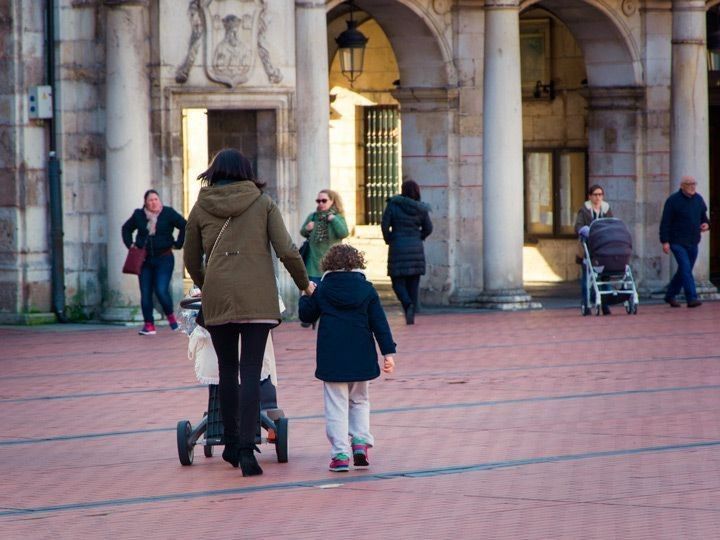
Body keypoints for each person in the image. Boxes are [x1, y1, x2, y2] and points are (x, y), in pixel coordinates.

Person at [183, 148, 314, 476]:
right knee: (252, 370)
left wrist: (207, 282)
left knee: (227, 371)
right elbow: (286, 249)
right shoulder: (263, 203)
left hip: (219, 298)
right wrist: (305, 284)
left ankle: (229, 442)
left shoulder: (201, 205)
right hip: (257, 298)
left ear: (214, 171)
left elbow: (190, 257)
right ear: (246, 170)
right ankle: (247, 450)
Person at [298, 244, 396, 472]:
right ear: (356, 263)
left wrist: (306, 294)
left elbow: (306, 315)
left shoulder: (322, 289)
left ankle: (340, 454)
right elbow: (379, 323)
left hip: (332, 356)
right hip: (361, 354)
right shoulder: (367, 290)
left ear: (328, 264)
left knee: (336, 406)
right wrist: (388, 353)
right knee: (360, 400)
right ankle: (360, 443)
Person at [122, 189, 187, 335]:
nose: (153, 202)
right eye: (150, 200)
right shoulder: (139, 215)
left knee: (161, 289)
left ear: (160, 201)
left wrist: (178, 243)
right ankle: (149, 325)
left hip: (164, 258)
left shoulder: (168, 213)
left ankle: (172, 319)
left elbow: (184, 225)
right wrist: (130, 244)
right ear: (145, 202)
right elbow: (126, 228)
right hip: (144, 260)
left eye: (156, 199)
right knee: (145, 293)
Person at [380, 180, 433, 324]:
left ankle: (407, 303)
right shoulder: (421, 208)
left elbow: (385, 224)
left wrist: (389, 238)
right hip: (416, 247)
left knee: (397, 281)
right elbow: (428, 228)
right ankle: (411, 310)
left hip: (397, 246)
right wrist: (419, 237)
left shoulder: (393, 204)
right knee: (413, 283)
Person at [299, 189, 349, 327]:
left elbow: (344, 233)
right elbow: (303, 231)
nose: (320, 203)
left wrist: (333, 220)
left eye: (324, 200)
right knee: (311, 291)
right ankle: (309, 317)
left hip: (332, 265)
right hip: (313, 263)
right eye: (318, 201)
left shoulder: (337, 217)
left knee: (330, 295)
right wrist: (307, 229)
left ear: (332, 201)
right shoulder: (313, 217)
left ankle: (326, 317)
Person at [659, 175, 710, 308]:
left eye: (694, 183)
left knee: (684, 270)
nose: (692, 186)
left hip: (693, 241)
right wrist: (665, 241)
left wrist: (706, 224)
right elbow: (665, 222)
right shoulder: (673, 201)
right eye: (689, 184)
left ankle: (670, 295)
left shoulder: (698, 199)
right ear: (682, 186)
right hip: (677, 241)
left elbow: (704, 218)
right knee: (686, 269)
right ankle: (691, 298)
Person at [574, 184, 613, 315]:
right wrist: (586, 230)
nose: (598, 197)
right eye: (595, 195)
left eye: (600, 195)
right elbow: (578, 226)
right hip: (588, 248)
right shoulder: (584, 210)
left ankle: (605, 304)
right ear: (590, 196)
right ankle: (586, 305)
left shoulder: (606, 209)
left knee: (604, 277)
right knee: (587, 278)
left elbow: (612, 224)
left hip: (603, 248)